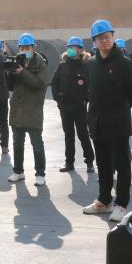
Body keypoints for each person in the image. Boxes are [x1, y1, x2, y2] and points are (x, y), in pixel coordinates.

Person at [82, 20, 132, 222]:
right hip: (97, 123)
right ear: (94, 41)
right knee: (103, 165)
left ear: (113, 37)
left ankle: (121, 204)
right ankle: (104, 201)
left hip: (118, 124)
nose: (105, 40)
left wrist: (119, 110)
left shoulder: (125, 63)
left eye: (107, 37)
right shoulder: (91, 64)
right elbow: (90, 91)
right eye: (100, 38)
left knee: (122, 165)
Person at [6, 33, 48, 186]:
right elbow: (10, 86)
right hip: (17, 110)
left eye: (27, 47)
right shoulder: (18, 61)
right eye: (22, 47)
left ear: (33, 47)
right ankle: (18, 171)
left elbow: (39, 85)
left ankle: (40, 173)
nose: (24, 50)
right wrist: (9, 73)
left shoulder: (40, 63)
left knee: (37, 145)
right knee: (17, 144)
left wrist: (23, 72)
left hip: (33, 110)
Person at [51, 37, 95, 173]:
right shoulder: (62, 65)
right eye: (70, 47)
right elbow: (54, 84)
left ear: (81, 50)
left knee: (83, 134)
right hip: (65, 107)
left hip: (80, 107)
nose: (73, 50)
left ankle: (89, 162)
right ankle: (69, 163)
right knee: (68, 135)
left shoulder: (86, 66)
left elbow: (92, 85)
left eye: (76, 47)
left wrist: (86, 99)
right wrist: (58, 99)